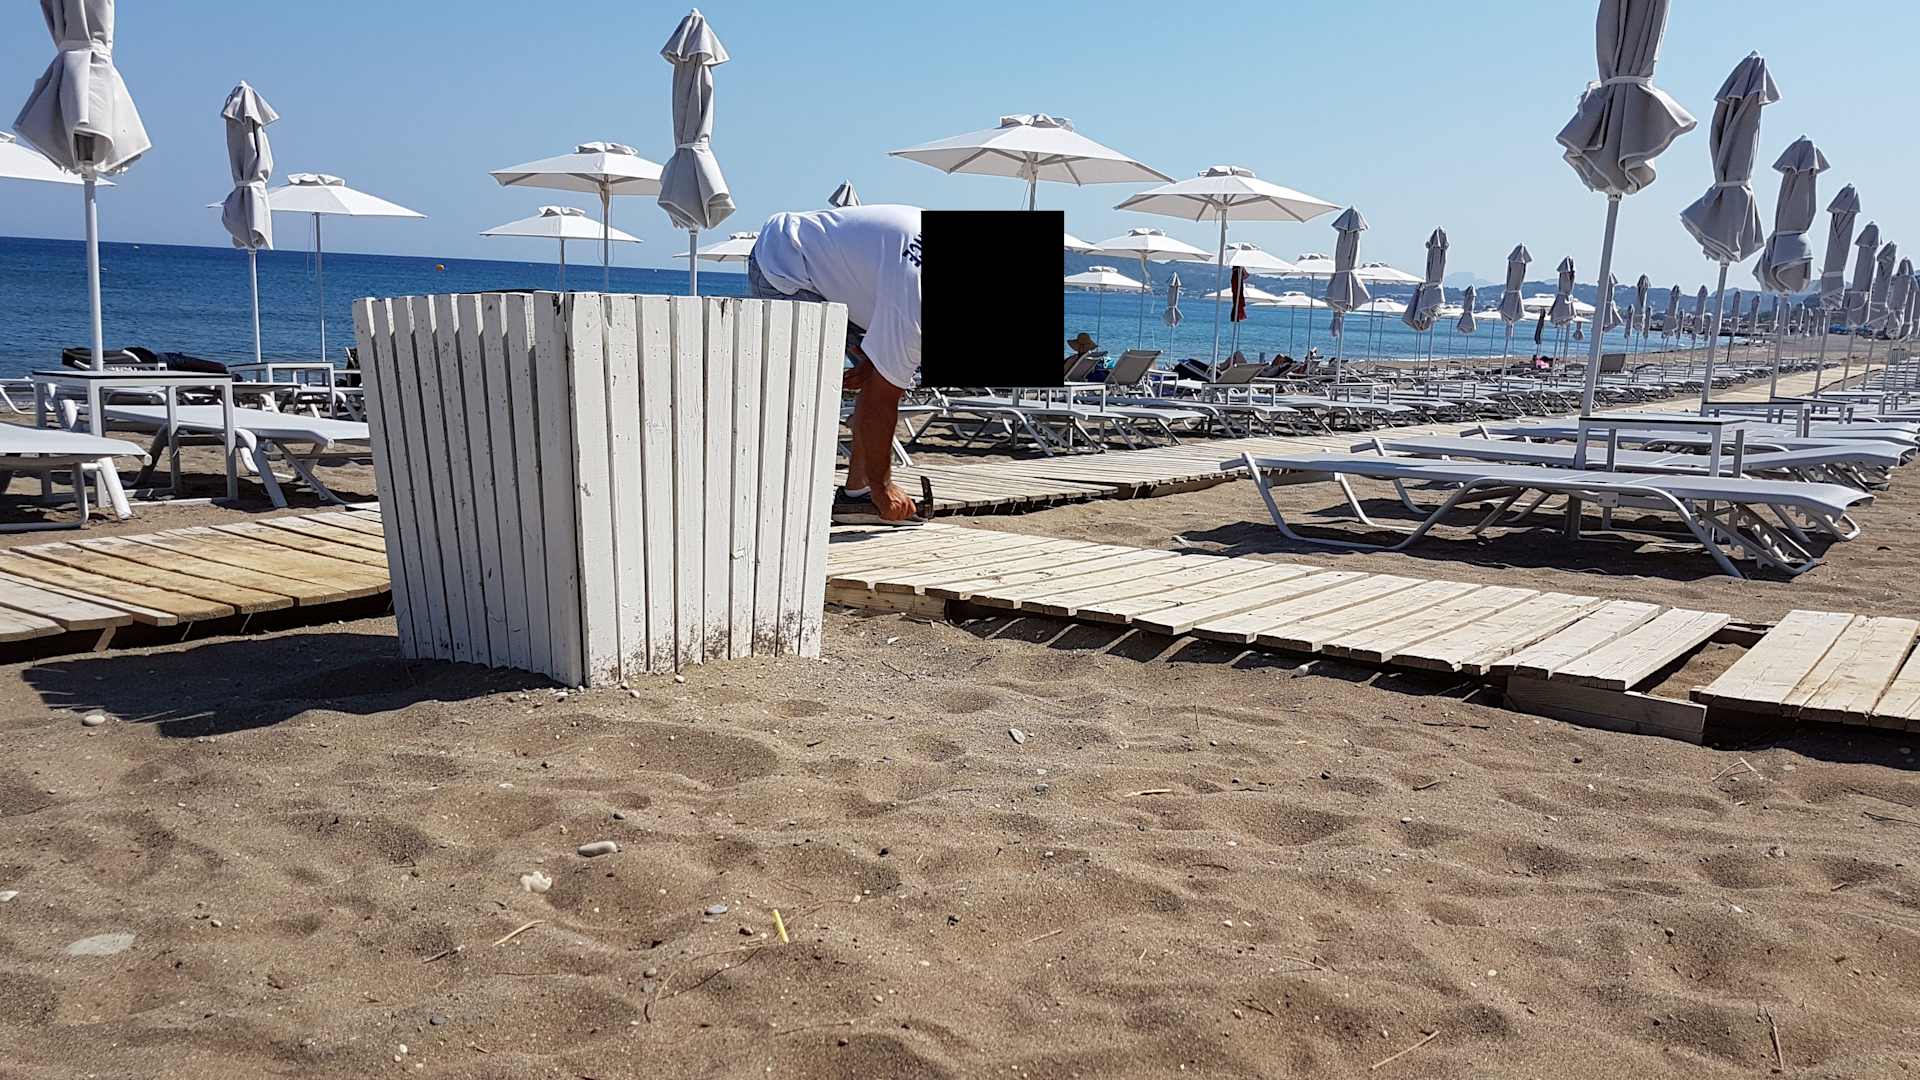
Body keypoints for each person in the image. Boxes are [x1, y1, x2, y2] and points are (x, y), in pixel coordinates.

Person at [747, 204, 923, 525]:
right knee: (802, 398)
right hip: (784, 265)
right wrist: (884, 487)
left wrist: (879, 363)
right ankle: (778, 505)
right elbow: (881, 402)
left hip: (843, 274)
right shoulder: (915, 305)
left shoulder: (911, 297)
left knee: (883, 379)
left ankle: (857, 495)